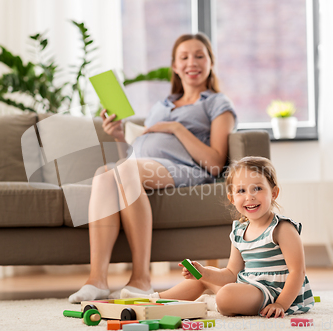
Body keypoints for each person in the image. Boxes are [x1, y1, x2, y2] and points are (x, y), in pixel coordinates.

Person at [68, 33, 237, 303]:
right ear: (174, 66)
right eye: (184, 57)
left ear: (210, 63)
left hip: (189, 168)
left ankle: (142, 278)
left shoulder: (217, 103)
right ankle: (97, 279)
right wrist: (119, 135)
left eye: (199, 56)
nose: (191, 62)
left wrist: (176, 128)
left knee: (127, 170)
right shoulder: (162, 105)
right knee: (103, 175)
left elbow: (216, 162)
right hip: (144, 166)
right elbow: (136, 152)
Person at [122, 156, 315, 318]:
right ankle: (154, 300)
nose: (250, 196)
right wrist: (203, 272)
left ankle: (214, 302)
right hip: (248, 286)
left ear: (274, 193)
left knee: (226, 296)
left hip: (275, 292)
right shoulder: (239, 231)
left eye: (257, 188)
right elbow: (231, 274)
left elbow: (297, 272)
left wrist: (281, 304)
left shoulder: (282, 228)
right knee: (202, 278)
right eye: (241, 191)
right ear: (232, 199)